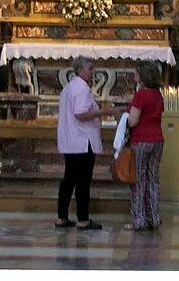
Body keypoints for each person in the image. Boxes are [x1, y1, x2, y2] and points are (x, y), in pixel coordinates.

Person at [54, 55, 104, 231]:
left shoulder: (69, 87)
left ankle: (62, 216)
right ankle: (83, 219)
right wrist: (104, 112)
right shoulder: (81, 88)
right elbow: (81, 113)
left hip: (72, 140)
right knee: (83, 181)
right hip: (83, 141)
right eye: (90, 69)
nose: (93, 72)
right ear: (80, 70)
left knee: (69, 179)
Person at [125, 62, 167, 232]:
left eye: (136, 72)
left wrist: (125, 120)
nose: (134, 74)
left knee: (139, 180)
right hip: (158, 139)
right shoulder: (157, 94)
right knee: (153, 179)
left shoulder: (141, 94)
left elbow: (133, 120)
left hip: (142, 139)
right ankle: (153, 217)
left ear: (142, 75)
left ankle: (138, 219)